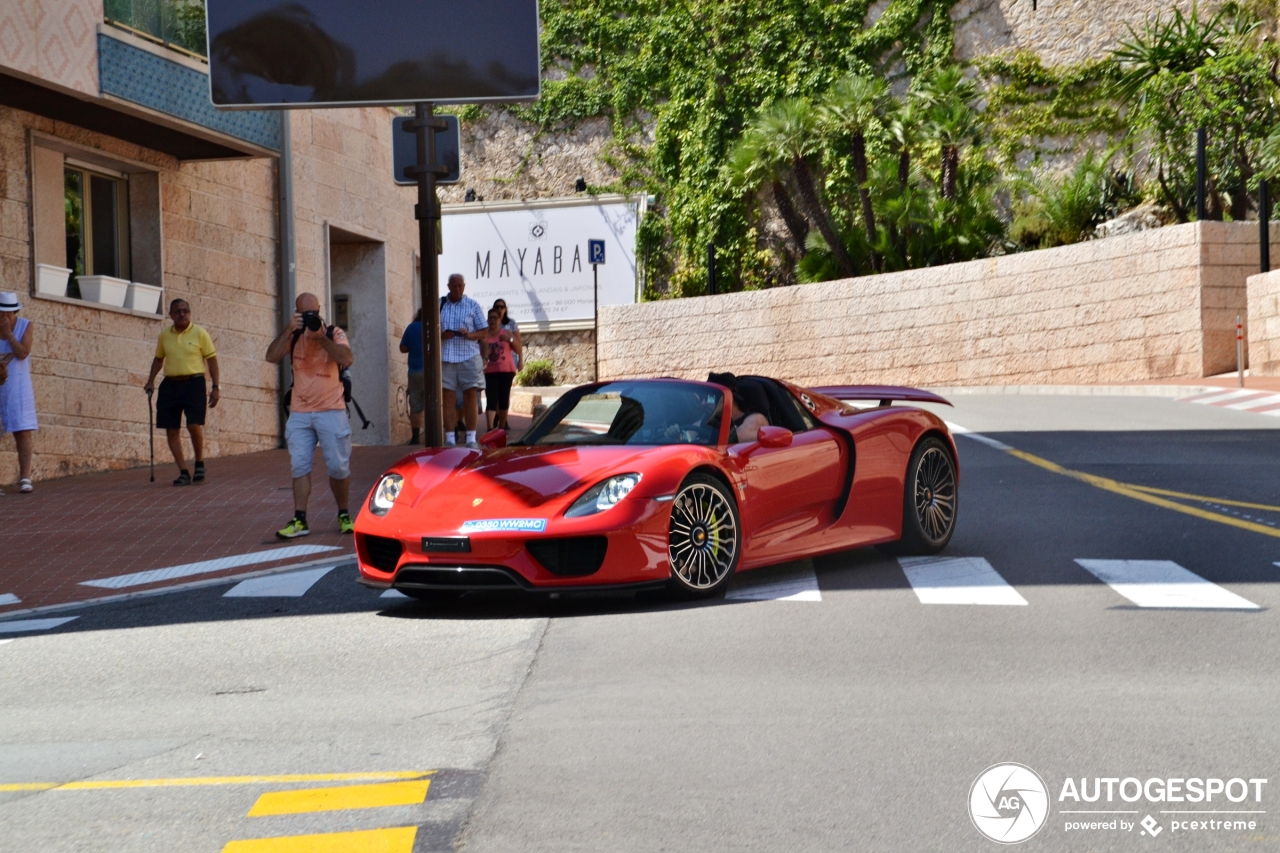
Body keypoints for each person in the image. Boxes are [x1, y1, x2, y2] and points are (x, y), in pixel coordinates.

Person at [265, 292, 355, 538]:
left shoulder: (333, 333)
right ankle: (300, 519)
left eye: (312, 314)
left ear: (319, 310)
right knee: (299, 466)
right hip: (300, 412)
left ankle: (344, 514)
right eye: (304, 315)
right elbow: (270, 356)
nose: (309, 318)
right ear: (296, 314)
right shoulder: (293, 336)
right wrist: (288, 329)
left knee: (338, 467)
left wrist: (320, 338)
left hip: (332, 410)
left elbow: (347, 358)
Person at [144, 299, 220, 486]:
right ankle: (183, 471)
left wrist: (216, 387)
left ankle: (199, 463)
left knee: (194, 425)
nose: (182, 314)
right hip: (170, 384)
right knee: (171, 428)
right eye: (177, 311)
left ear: (190, 313)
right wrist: (150, 381)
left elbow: (212, 361)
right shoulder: (164, 336)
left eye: (185, 310)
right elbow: (158, 359)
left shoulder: (200, 333)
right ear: (170, 315)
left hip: (194, 383)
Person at [439, 273, 487, 447]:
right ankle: (450, 438)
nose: (457, 289)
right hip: (446, 355)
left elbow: (484, 332)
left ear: (464, 286)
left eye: (460, 286)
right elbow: (429, 330)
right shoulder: (440, 304)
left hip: (468, 355)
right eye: (454, 286)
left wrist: (470, 334)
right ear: (448, 286)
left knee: (471, 396)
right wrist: (442, 335)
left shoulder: (473, 305)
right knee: (448, 397)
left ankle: (471, 438)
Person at [0, 292, 36, 493]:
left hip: (19, 385)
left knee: (22, 430)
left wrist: (9, 334)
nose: (5, 317)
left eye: (9, 313)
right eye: (1, 313)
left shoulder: (25, 325)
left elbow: (23, 352)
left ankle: (25, 477)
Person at [483, 307, 522, 431]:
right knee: (491, 399)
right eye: (490, 318)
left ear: (499, 320)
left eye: (495, 318)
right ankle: (490, 428)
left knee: (503, 399)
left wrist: (509, 339)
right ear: (487, 320)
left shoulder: (506, 333)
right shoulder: (484, 335)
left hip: (506, 370)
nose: (493, 320)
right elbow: (480, 352)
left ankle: (501, 427)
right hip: (490, 371)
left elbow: (518, 348)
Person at [707, 372, 769, 444]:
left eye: (710, 398)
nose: (703, 403)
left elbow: (730, 442)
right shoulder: (705, 421)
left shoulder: (756, 419)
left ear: (727, 398)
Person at [398, 308, 425, 444]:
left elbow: (402, 348)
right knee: (435, 403)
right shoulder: (436, 327)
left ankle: (415, 437)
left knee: (415, 405)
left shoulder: (411, 327)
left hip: (415, 371)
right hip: (433, 372)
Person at [491, 298, 522, 370]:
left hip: (510, 358)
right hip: (494, 359)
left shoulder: (511, 323)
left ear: (505, 309)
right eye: (497, 307)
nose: (499, 309)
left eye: (502, 307)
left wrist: (520, 361)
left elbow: (518, 342)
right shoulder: (488, 323)